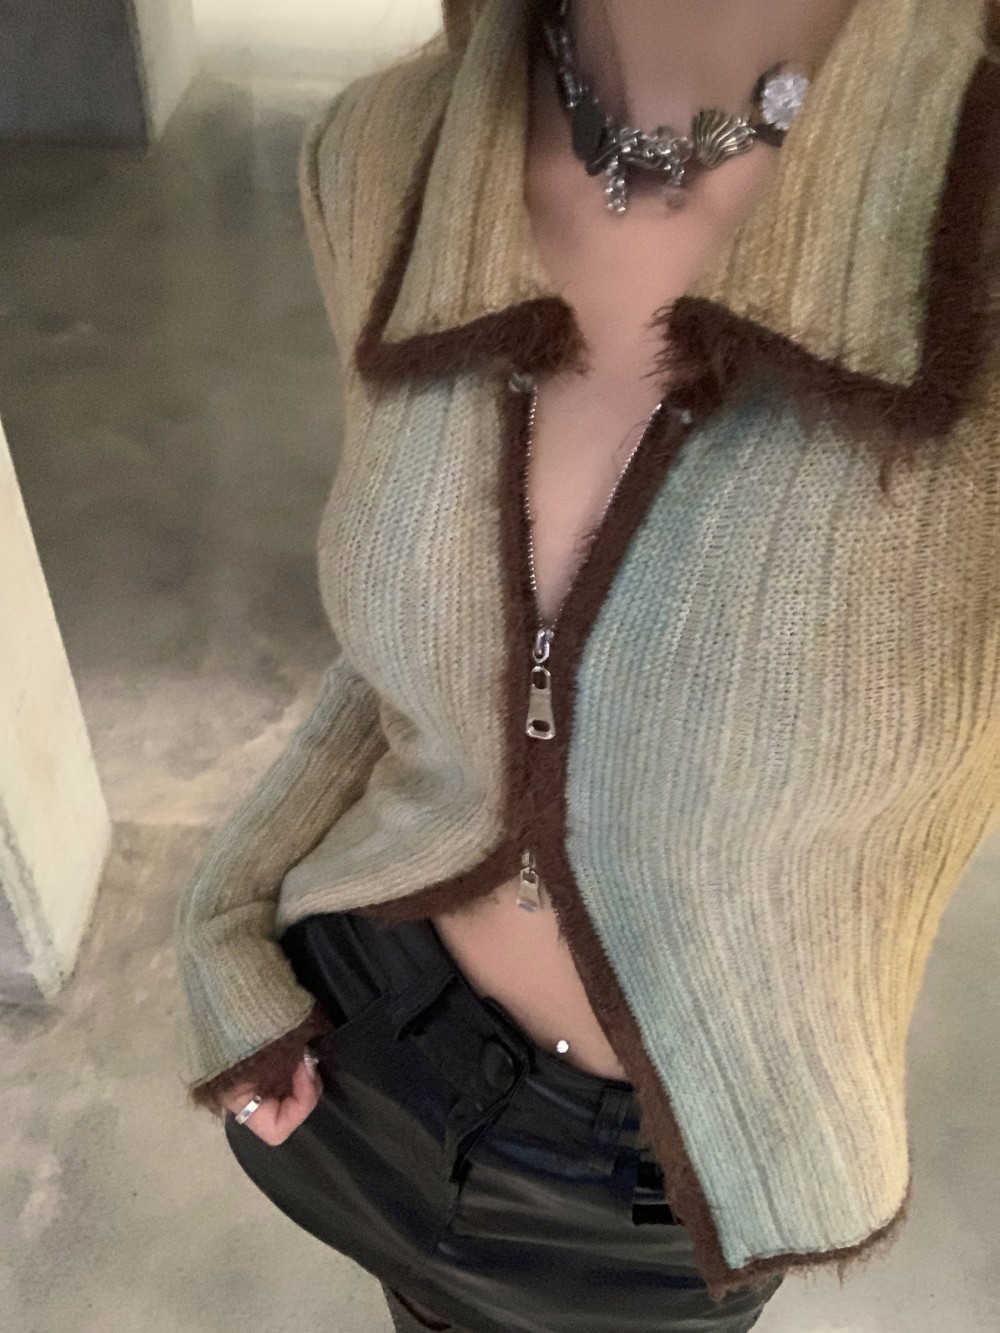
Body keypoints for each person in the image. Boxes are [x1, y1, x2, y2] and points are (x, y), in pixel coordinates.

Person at [173, 0, 1000, 1329]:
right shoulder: (382, 153)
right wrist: (221, 921)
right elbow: (411, 658)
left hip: (673, 1177)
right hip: (360, 1045)